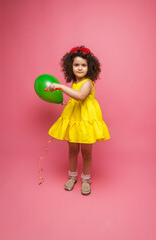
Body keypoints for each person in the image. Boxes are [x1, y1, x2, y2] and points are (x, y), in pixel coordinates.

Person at [48, 46, 110, 195]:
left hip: (86, 121)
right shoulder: (74, 83)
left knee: (86, 152)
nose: (80, 68)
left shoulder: (88, 83)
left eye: (84, 65)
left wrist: (61, 87)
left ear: (90, 67)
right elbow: (74, 97)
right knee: (72, 150)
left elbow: (80, 96)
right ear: (71, 66)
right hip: (74, 120)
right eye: (76, 65)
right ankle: (72, 176)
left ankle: (86, 179)